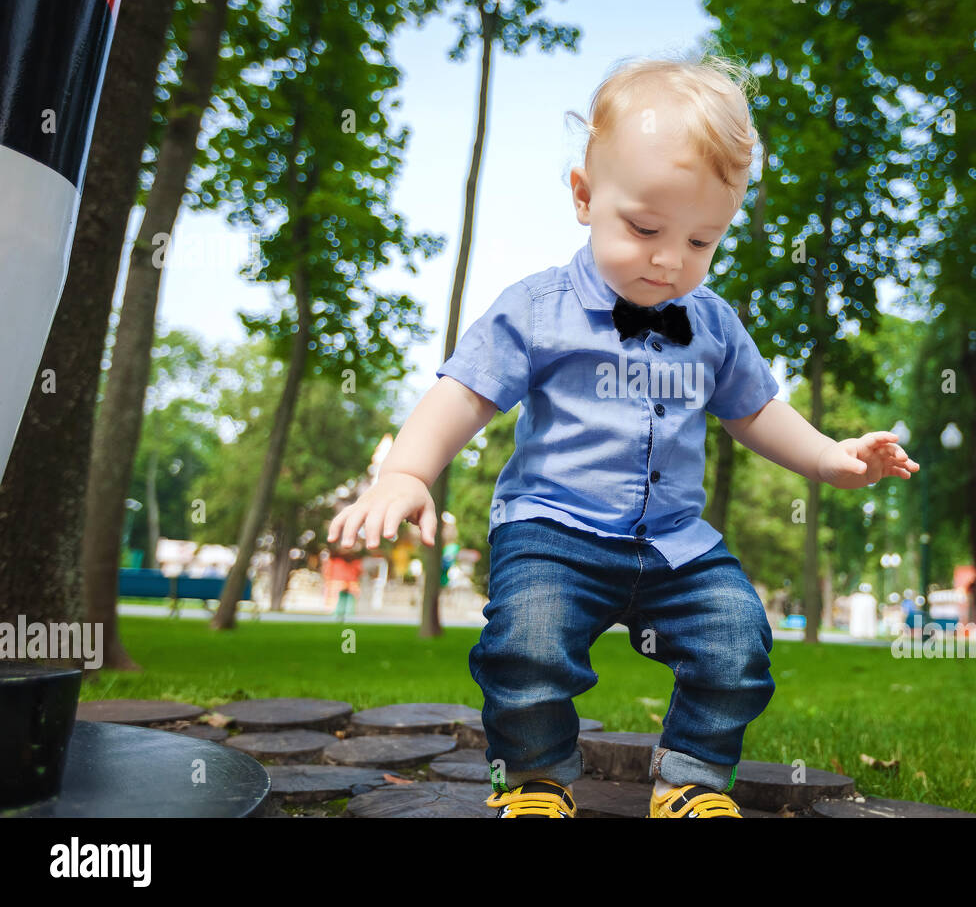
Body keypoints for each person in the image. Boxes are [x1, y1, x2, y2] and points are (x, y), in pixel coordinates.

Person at [327, 51, 920, 818]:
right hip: (553, 529)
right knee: (526, 646)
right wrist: (406, 472)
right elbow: (464, 394)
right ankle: (537, 780)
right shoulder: (537, 309)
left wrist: (830, 457)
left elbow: (755, 411)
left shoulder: (713, 325)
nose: (671, 260)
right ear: (583, 195)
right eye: (644, 228)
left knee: (737, 639)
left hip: (673, 540)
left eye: (703, 242)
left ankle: (691, 782)